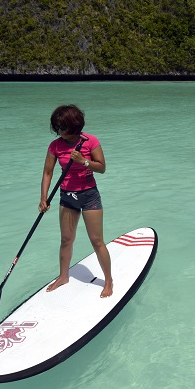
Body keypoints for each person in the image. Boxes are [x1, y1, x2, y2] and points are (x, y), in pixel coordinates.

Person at [39, 104, 113, 298]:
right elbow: (48, 172)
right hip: (67, 196)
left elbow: (102, 167)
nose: (58, 131)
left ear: (74, 126)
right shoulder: (55, 146)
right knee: (66, 239)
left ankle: (109, 280)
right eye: (56, 127)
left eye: (62, 127)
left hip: (89, 195)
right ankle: (63, 276)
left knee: (96, 241)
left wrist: (83, 161)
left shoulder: (90, 142)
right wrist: (43, 198)